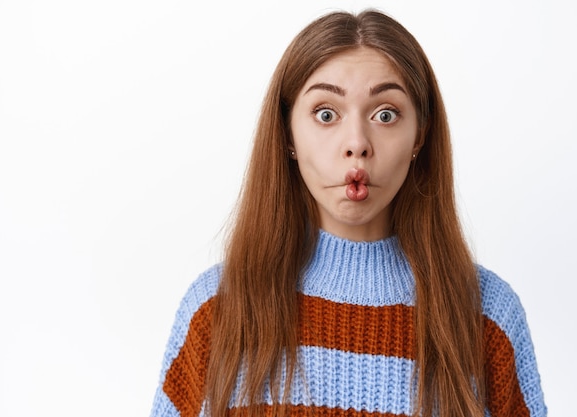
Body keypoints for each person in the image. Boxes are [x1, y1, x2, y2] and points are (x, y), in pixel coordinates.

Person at [150, 9, 546, 417]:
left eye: (385, 114)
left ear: (420, 135)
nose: (357, 142)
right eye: (326, 114)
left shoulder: (487, 315)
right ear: (287, 132)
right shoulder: (216, 309)